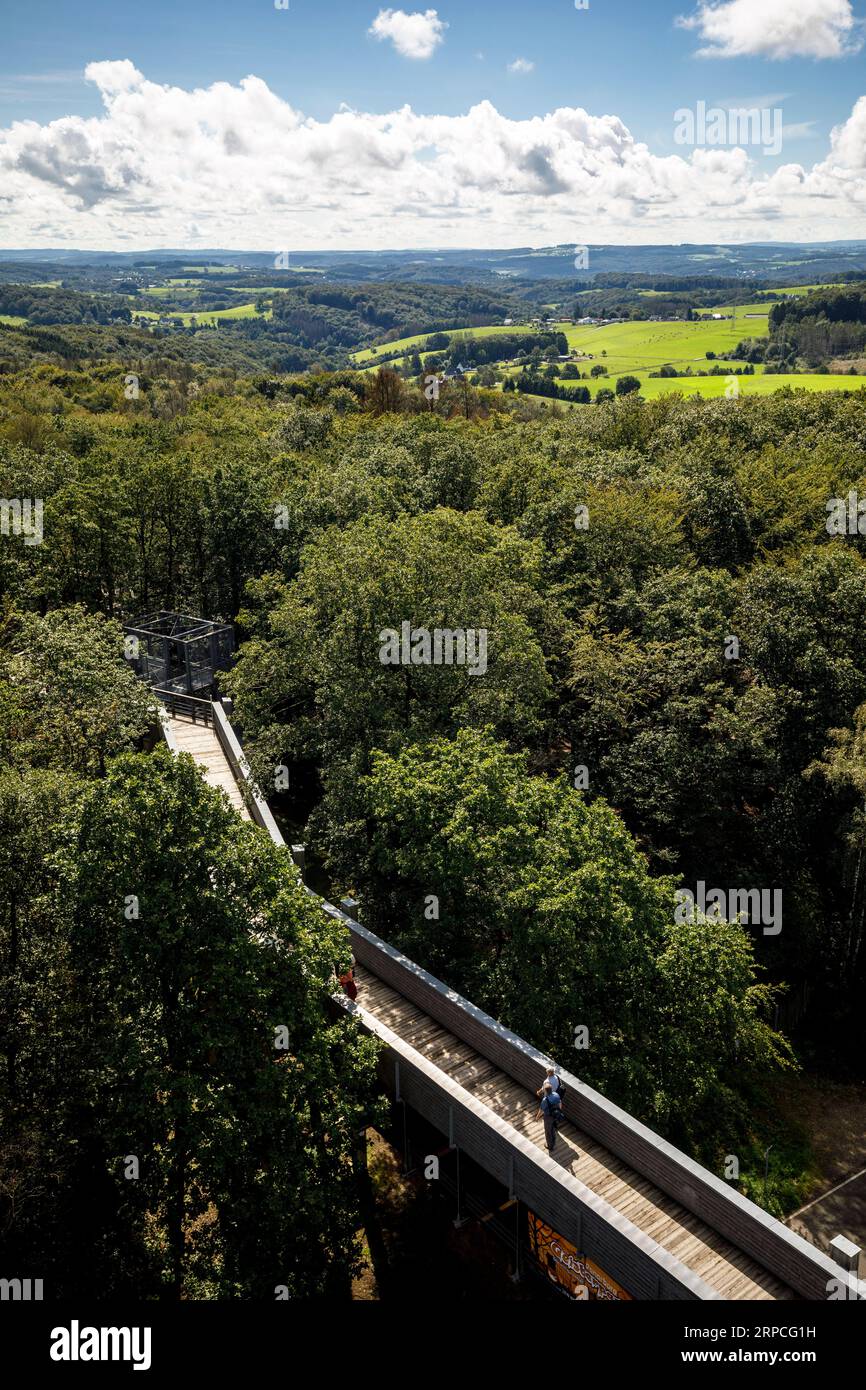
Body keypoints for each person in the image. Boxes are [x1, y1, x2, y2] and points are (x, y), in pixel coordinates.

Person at [537, 1082, 562, 1154]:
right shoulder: (556, 1095)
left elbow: (541, 1110)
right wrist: (559, 1111)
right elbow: (560, 1103)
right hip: (556, 1115)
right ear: (551, 1089)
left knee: (548, 1131)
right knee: (553, 1129)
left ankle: (550, 1146)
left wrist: (537, 1117)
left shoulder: (545, 1100)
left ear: (545, 1091)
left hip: (548, 1117)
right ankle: (553, 1141)